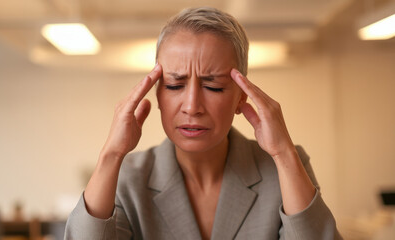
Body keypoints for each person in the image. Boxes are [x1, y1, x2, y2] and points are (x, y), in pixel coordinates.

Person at [64, 7, 342, 240]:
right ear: (158, 93)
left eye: (215, 87)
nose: (192, 107)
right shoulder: (127, 179)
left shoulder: (284, 169)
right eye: (174, 86)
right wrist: (111, 155)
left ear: (240, 96)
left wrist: (284, 154)